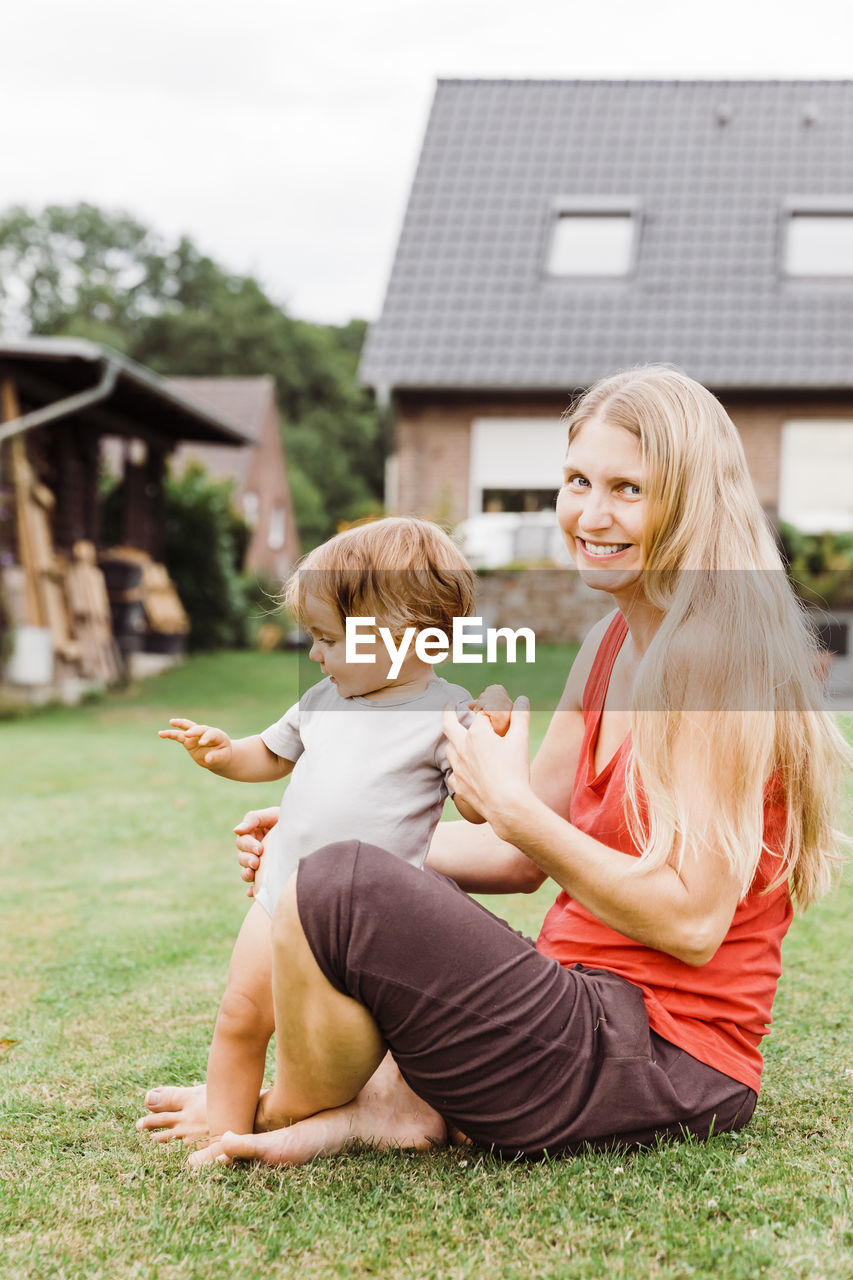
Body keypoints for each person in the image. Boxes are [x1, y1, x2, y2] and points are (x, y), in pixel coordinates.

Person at [139, 365, 849, 1165]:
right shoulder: (610, 644)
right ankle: (386, 1112)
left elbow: (690, 923)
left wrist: (504, 810)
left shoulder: (715, 661)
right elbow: (518, 860)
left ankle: (270, 1112)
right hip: (579, 1003)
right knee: (341, 875)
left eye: (628, 489)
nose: (589, 513)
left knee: (341, 886)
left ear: (689, 503)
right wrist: (338, 830)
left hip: (663, 1057)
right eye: (577, 480)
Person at [156, 516, 508, 1167]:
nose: (314, 653)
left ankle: (395, 1109)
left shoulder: (445, 711)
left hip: (370, 928)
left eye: (327, 638)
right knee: (240, 1017)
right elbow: (267, 753)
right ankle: (227, 1137)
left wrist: (484, 745)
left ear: (403, 638)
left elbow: (474, 807)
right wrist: (222, 752)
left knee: (384, 1038)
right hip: (277, 896)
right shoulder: (322, 698)